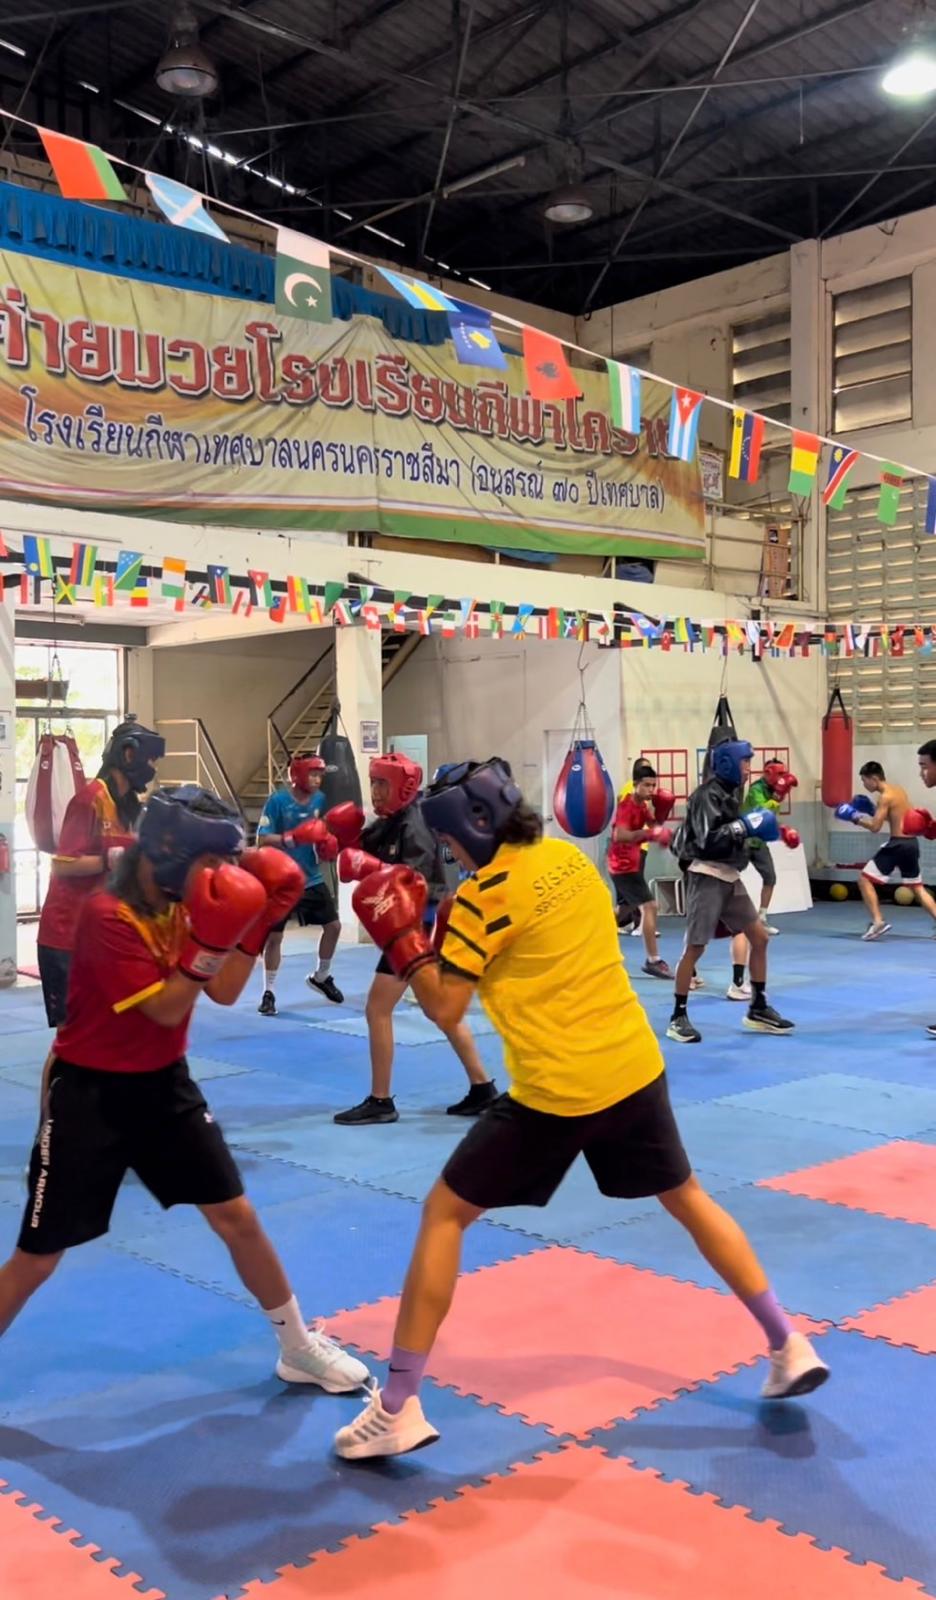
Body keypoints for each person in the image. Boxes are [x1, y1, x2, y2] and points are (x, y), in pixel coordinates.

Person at [331, 759, 829, 1460]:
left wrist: (403, 938)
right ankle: (787, 1341)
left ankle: (397, 1406)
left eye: (448, 842)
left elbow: (445, 1006)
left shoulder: (482, 898)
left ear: (472, 826)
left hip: (556, 1093)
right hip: (633, 1067)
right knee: (686, 1198)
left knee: (444, 1214)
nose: (449, 854)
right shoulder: (569, 860)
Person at [0, 785, 369, 1396]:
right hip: (91, 1097)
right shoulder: (107, 915)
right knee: (38, 1257)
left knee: (237, 1217)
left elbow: (222, 991)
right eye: (212, 861)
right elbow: (169, 1008)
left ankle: (298, 1347)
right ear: (171, 851)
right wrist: (219, 934)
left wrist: (256, 922)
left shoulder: (184, 903)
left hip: (164, 1088)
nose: (222, 874)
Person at [330, 753, 495, 1126]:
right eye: (373, 782)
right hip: (411, 925)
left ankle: (381, 1100)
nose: (375, 791)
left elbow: (413, 881)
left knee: (378, 1009)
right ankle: (482, 1087)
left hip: (417, 925)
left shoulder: (415, 823)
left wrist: (371, 867)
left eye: (382, 783)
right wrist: (340, 840)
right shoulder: (390, 822)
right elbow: (357, 852)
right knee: (438, 1010)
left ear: (402, 787)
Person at [36, 717, 165, 1028]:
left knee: (108, 1031)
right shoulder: (89, 799)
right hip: (67, 936)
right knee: (72, 1036)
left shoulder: (131, 808)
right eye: (151, 760)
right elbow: (62, 864)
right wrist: (110, 858)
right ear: (129, 754)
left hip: (105, 935)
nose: (153, 768)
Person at [667, 740, 797, 1045]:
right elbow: (708, 840)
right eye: (744, 762)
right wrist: (744, 827)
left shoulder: (730, 794)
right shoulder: (705, 795)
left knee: (760, 938)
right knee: (695, 948)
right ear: (727, 763)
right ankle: (677, 1017)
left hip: (729, 876)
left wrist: (775, 832)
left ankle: (758, 1007)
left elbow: (739, 833)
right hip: (707, 876)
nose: (748, 768)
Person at [256, 754, 343, 1014]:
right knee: (275, 937)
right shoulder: (277, 801)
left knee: (334, 927)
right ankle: (269, 992)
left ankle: (321, 976)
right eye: (313, 774)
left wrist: (327, 843)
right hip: (281, 881)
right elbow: (261, 840)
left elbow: (321, 831)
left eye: (320, 775)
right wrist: (292, 838)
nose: (317, 780)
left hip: (311, 878)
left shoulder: (319, 800)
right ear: (298, 775)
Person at [835, 761, 936, 941]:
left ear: (874, 778)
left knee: (864, 880)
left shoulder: (885, 797)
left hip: (897, 845)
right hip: (911, 844)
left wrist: (855, 818)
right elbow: (896, 818)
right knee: (917, 888)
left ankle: (878, 922)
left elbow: (875, 827)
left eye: (864, 780)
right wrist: (872, 810)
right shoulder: (898, 791)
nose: (864, 785)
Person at [607, 764, 675, 978]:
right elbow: (620, 835)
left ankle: (592, 934)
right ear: (635, 785)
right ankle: (653, 960)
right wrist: (648, 835)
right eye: (646, 785)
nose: (651, 790)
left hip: (631, 863)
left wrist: (661, 820)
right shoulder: (627, 806)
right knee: (650, 906)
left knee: (625, 908)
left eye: (653, 785)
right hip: (622, 865)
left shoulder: (643, 805)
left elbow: (653, 825)